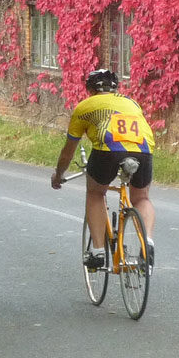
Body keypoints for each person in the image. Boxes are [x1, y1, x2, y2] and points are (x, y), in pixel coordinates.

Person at [51, 69, 155, 273]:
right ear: (116, 88)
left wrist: (59, 174)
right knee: (142, 198)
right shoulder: (132, 103)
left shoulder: (85, 107)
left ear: (89, 89)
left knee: (96, 193)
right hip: (143, 150)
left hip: (108, 151)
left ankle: (98, 252)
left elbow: (68, 151)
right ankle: (148, 242)